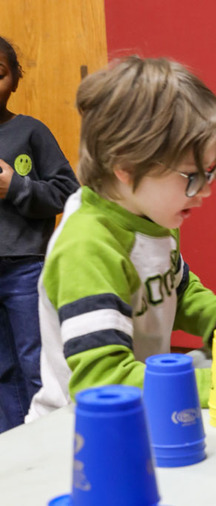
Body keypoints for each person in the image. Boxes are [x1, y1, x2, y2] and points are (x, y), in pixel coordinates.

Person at [26, 56, 216, 421]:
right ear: (125, 167)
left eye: (210, 173)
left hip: (141, 409)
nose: (205, 190)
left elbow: (173, 287)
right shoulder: (87, 247)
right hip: (79, 431)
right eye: (191, 176)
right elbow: (102, 382)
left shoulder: (148, 214)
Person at [0, 37, 79, 432]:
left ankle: (46, 443)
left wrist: (15, 186)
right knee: (2, 369)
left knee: (36, 364)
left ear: (15, 80)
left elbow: (69, 192)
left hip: (25, 268)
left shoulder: (30, 131)